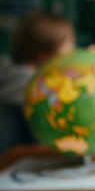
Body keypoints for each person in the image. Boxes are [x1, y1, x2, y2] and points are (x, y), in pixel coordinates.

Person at [0, 10, 75, 152]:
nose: (72, 50)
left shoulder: (9, 74)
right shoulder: (35, 90)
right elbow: (51, 145)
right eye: (69, 43)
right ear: (44, 54)